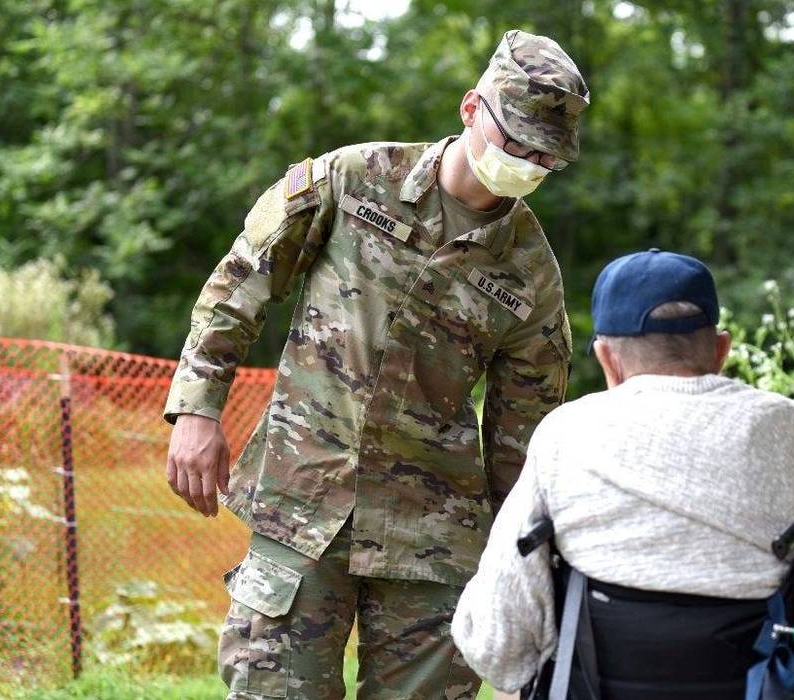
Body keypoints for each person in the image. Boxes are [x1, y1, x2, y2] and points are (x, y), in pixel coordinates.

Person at [161, 30, 589, 700]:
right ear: (471, 108)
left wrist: (518, 560)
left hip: (431, 536)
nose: (527, 163)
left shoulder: (530, 273)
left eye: (545, 156)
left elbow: (524, 432)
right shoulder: (353, 179)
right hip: (302, 502)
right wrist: (195, 407)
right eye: (517, 142)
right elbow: (240, 282)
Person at [451, 249, 794, 695]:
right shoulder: (776, 424)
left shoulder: (566, 433)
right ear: (721, 350)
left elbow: (496, 642)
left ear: (607, 360)